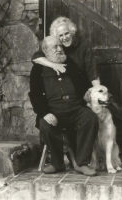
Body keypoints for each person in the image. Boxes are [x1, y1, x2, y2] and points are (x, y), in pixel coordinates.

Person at [29, 34, 99, 175]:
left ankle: (81, 163)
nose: (59, 49)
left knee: (90, 118)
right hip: (53, 111)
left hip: (75, 108)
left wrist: (88, 95)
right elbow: (34, 95)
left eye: (60, 46)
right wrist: (44, 113)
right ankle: (57, 163)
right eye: (55, 47)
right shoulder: (38, 70)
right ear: (45, 51)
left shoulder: (71, 64)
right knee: (45, 124)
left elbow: (84, 84)